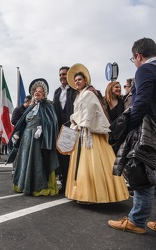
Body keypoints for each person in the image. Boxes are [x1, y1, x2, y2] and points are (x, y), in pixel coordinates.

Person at [108, 37, 156, 234]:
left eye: (133, 59)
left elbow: (141, 102)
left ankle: (136, 220)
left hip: (149, 130)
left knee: (141, 173)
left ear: (138, 55)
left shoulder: (145, 69)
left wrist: (130, 128)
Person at [65, 63, 129, 204]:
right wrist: (75, 121)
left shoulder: (89, 93)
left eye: (79, 80)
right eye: (75, 81)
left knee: (93, 163)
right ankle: (82, 193)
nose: (77, 82)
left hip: (90, 133)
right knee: (83, 164)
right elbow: (78, 113)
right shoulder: (79, 95)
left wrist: (77, 121)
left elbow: (89, 113)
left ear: (86, 81)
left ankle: (95, 195)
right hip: (82, 131)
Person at [9, 79, 59, 196]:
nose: (37, 93)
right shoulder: (30, 107)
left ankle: (39, 187)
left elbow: (53, 122)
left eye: (40, 91)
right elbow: (23, 122)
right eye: (36, 91)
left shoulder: (48, 106)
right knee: (25, 161)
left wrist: (42, 128)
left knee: (37, 162)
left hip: (38, 140)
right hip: (26, 138)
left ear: (44, 94)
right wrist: (17, 133)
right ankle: (24, 185)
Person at [52, 66, 77, 192]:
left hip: (71, 127)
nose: (62, 76)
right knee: (61, 156)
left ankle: (72, 183)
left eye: (64, 74)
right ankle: (64, 182)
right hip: (60, 128)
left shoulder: (74, 90)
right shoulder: (56, 92)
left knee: (71, 157)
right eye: (60, 74)